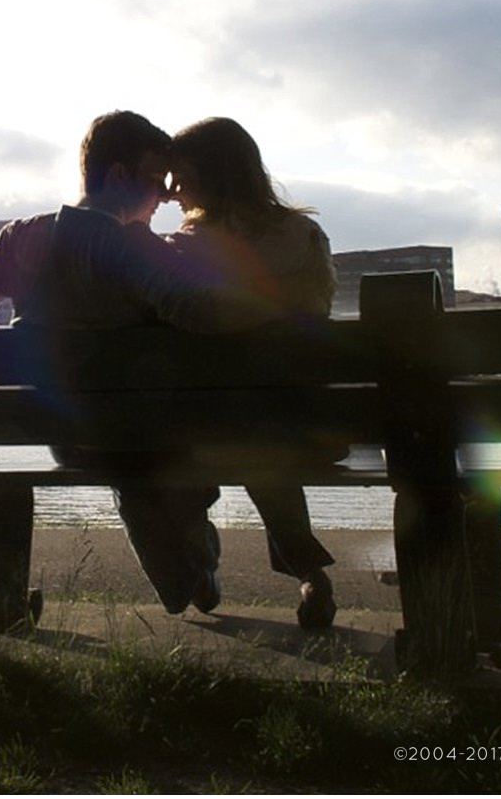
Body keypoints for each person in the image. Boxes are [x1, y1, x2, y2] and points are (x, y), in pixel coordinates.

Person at [0, 110, 228, 614]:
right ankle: (190, 561)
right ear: (120, 175)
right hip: (152, 430)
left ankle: (180, 576)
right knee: (160, 453)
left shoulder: (21, 239)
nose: (165, 197)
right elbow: (199, 310)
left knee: (122, 460)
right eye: (157, 181)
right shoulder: (137, 248)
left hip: (69, 437)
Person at [162, 116, 339, 629]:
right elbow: (317, 319)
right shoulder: (306, 235)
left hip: (208, 431)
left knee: (220, 444)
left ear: (209, 176)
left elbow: (180, 321)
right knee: (261, 446)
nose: (173, 192)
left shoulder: (184, 250)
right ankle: (309, 573)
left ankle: (199, 563)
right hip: (308, 426)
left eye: (181, 177)